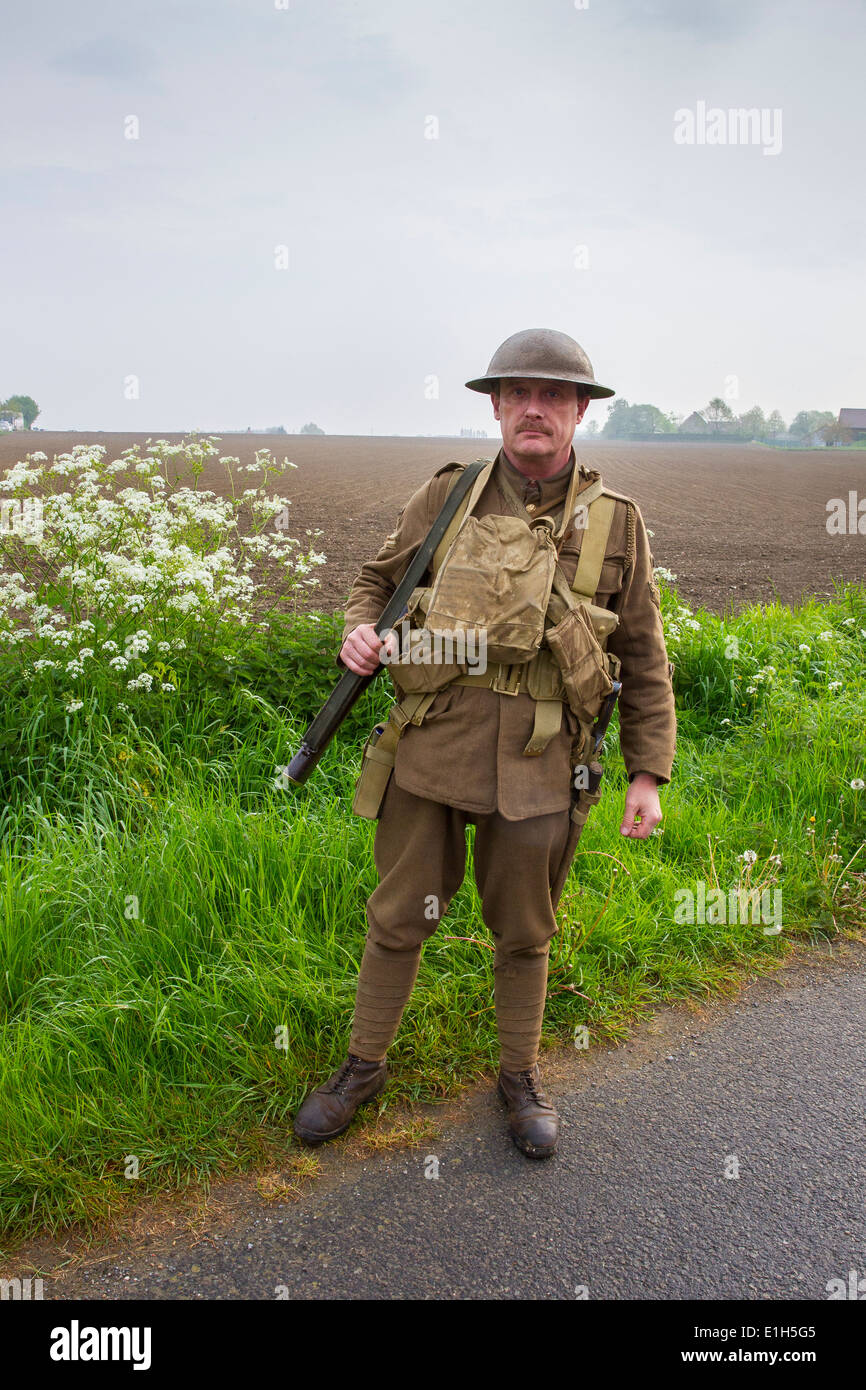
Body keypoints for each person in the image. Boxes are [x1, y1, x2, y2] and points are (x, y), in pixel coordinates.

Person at [293, 328, 676, 1159]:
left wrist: (648, 771)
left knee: (525, 931)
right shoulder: (450, 495)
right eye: (517, 395)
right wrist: (358, 633)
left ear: (579, 413)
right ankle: (362, 1068)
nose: (533, 409)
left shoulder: (616, 524)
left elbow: (643, 651)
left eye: (553, 396)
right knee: (398, 916)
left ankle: (518, 1076)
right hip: (433, 748)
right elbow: (376, 579)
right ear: (498, 407)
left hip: (543, 766)